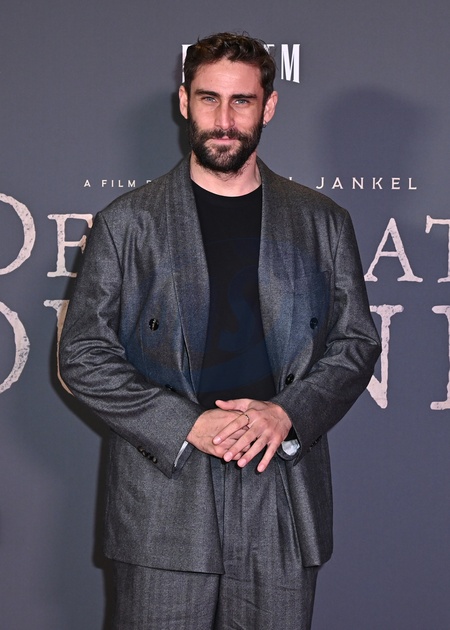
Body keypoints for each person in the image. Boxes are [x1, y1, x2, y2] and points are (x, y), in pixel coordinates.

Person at [59, 32, 381, 630]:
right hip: (164, 490)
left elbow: (356, 342)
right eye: (209, 99)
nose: (225, 120)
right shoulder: (127, 223)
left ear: (269, 106)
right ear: (184, 101)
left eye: (242, 101)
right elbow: (82, 353)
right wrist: (186, 424)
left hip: (280, 486)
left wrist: (286, 414)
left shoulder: (323, 222)